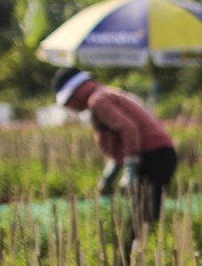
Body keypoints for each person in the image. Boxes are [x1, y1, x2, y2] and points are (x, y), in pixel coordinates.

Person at [52, 69, 177, 224]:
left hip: (154, 156)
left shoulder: (98, 101)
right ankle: (137, 243)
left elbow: (129, 130)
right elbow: (121, 142)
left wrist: (129, 171)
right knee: (144, 216)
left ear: (75, 94)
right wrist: (109, 176)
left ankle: (138, 245)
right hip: (159, 154)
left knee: (144, 218)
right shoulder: (106, 93)